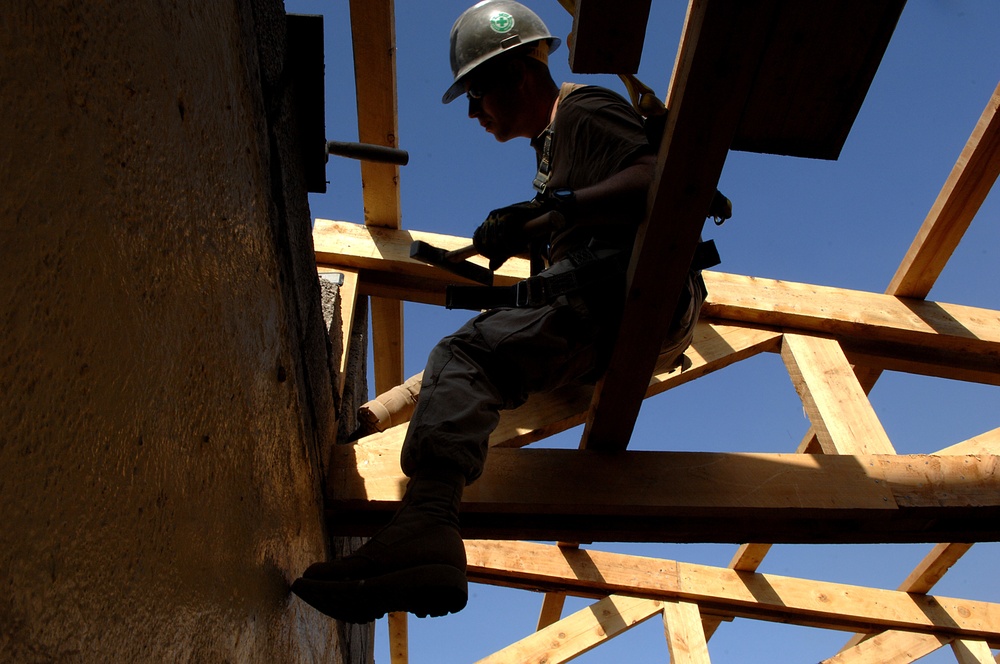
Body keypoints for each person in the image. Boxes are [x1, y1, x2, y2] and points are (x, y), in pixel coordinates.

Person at [292, 0, 704, 623]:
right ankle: (421, 526)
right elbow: (492, 354)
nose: (472, 113)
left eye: (475, 94)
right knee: (466, 363)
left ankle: (428, 525)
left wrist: (557, 211)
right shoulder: (554, 148)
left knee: (465, 353)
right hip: (605, 309)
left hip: (633, 292)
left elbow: (658, 180)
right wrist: (370, 418)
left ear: (515, 74)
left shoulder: (584, 109)